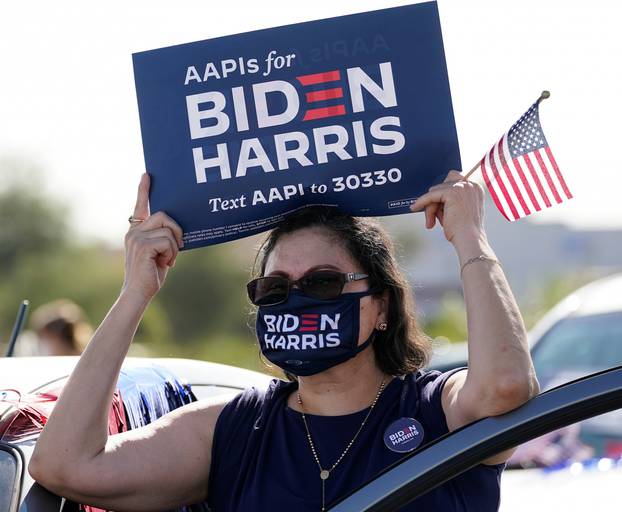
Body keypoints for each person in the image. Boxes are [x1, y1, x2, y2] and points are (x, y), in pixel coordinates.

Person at [29, 170, 539, 511]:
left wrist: (470, 237)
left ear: (381, 305)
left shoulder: (437, 410)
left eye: (322, 282)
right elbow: (66, 465)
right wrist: (135, 292)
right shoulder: (230, 430)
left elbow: (507, 388)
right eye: (274, 289)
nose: (297, 301)